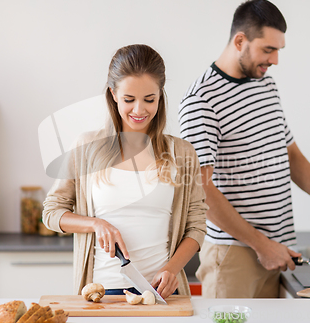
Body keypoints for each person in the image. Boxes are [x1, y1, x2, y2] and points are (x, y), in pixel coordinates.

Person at [178, 0, 310, 298]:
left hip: (275, 252)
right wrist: (262, 246)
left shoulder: (265, 85)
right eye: (268, 49)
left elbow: (291, 155)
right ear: (240, 41)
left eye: (278, 50)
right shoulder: (201, 101)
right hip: (234, 257)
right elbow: (201, 190)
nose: (274, 60)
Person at [42, 44, 207, 298]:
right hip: (102, 293)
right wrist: (95, 224)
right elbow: (52, 213)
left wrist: (172, 269)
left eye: (149, 99)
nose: (139, 110)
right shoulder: (87, 148)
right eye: (129, 99)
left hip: (161, 294)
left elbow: (196, 226)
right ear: (113, 94)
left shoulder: (182, 153)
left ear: (160, 96)